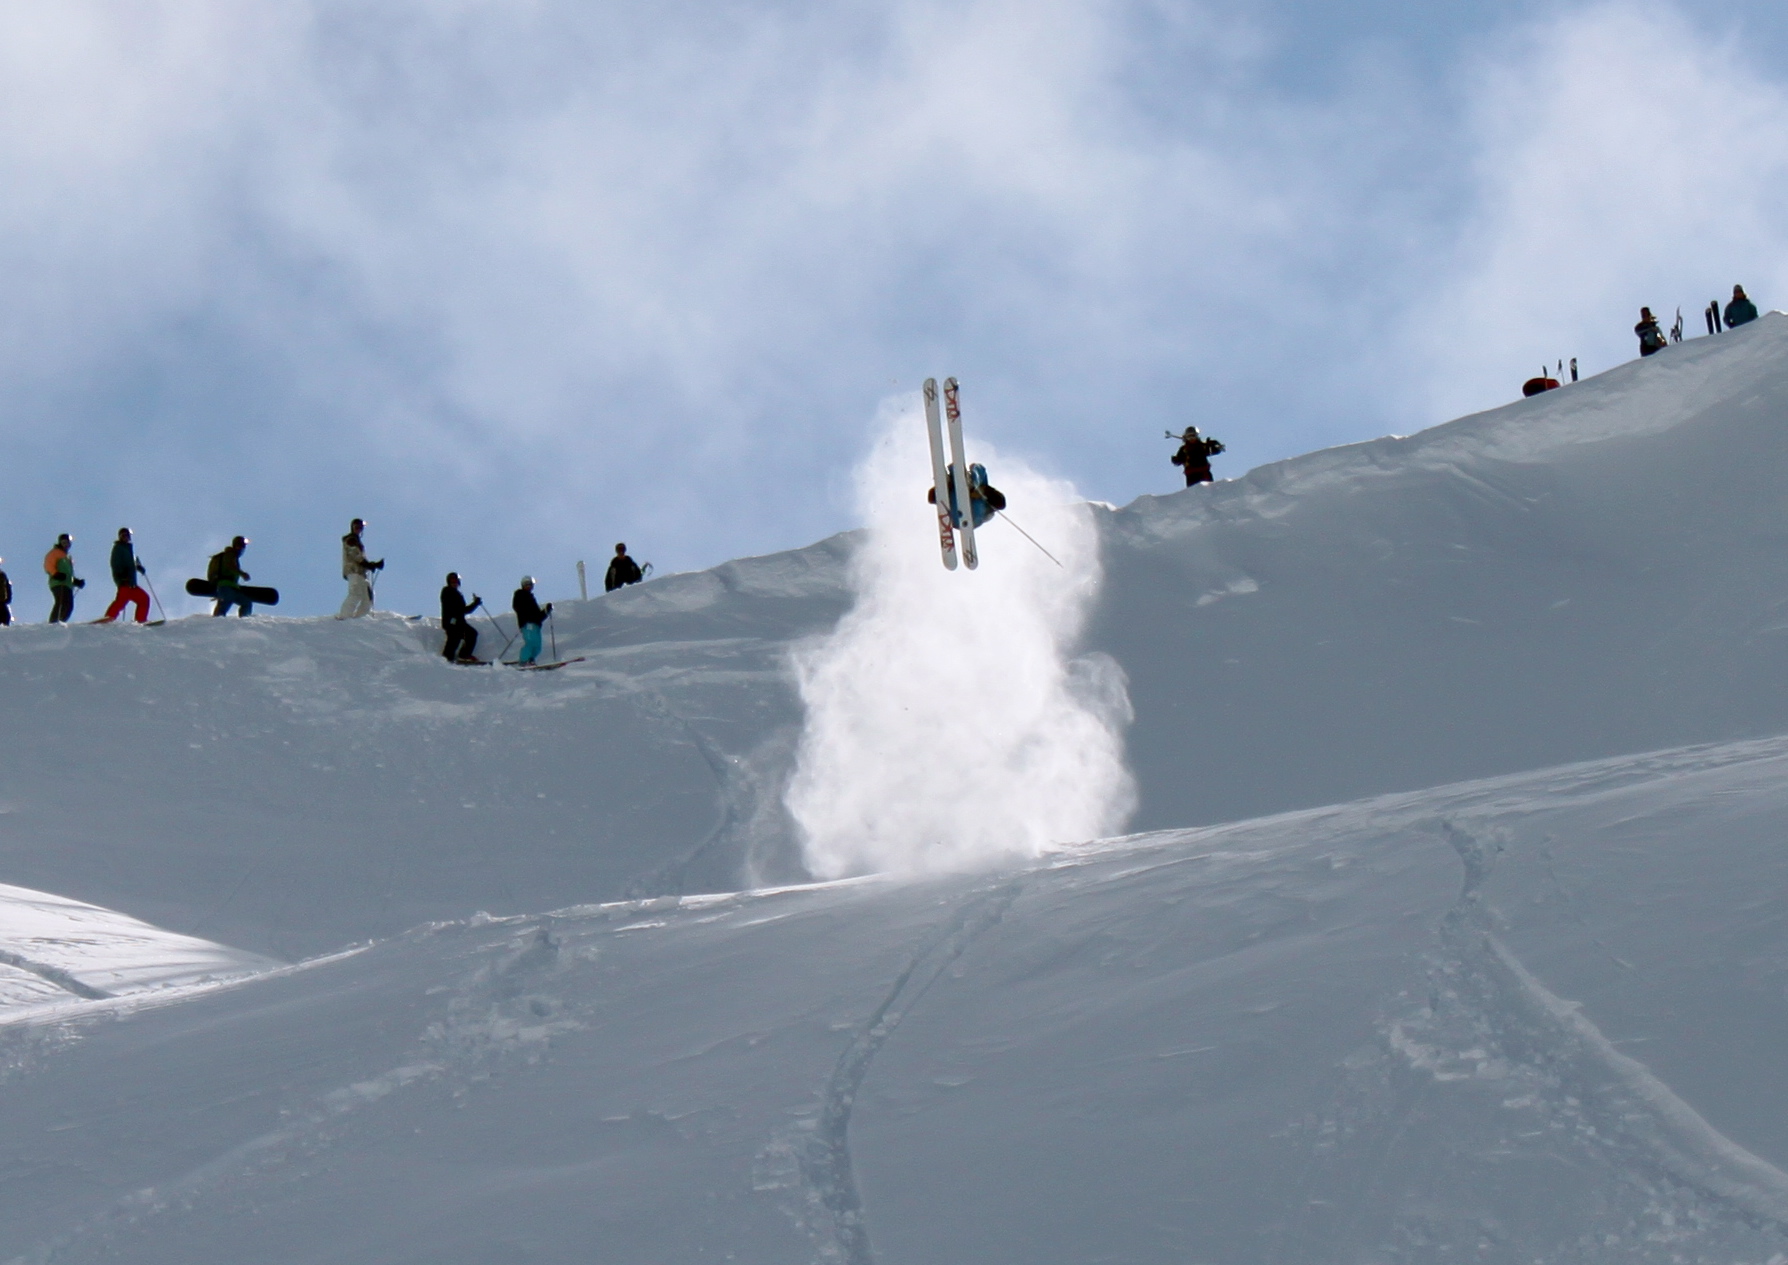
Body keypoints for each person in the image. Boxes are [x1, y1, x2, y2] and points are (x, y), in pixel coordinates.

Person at [926, 463, 1007, 528]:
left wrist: (984, 491)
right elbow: (931, 498)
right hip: (958, 515)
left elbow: (1001, 503)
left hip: (972, 514)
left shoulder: (982, 481)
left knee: (979, 470)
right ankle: (950, 484)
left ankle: (969, 484)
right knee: (977, 471)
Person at [100, 528, 151, 624]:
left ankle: (140, 620)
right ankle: (108, 618)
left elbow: (132, 563)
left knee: (143, 599)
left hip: (131, 583)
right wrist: (121, 576)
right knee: (121, 601)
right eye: (123, 535)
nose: (126, 537)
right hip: (124, 581)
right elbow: (115, 563)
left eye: (127, 535)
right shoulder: (118, 548)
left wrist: (138, 567)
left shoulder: (129, 550)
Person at [338, 519, 382, 619]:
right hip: (353, 571)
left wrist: (372, 565)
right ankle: (344, 617)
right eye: (356, 527)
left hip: (361, 573)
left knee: (368, 596)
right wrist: (368, 564)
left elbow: (360, 557)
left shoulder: (357, 541)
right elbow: (355, 554)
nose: (358, 529)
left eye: (360, 528)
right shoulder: (351, 539)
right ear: (352, 528)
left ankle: (360, 618)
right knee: (355, 593)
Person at [440, 572, 484, 663]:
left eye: (456, 581)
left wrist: (475, 603)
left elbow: (464, 610)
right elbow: (456, 608)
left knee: (471, 634)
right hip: (452, 621)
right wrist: (474, 604)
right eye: (452, 581)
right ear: (448, 582)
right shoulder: (447, 591)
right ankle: (447, 658)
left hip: (459, 622)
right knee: (454, 638)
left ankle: (463, 655)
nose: (454, 583)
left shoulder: (458, 594)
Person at [512, 576, 552, 665]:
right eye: (526, 584)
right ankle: (523, 661)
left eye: (530, 584)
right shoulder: (520, 594)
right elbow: (517, 606)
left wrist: (546, 611)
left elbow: (538, 616)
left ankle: (530, 660)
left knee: (537, 647)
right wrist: (526, 616)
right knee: (530, 643)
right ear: (523, 585)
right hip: (528, 624)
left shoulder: (531, 599)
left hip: (536, 625)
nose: (528, 586)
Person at [209, 536, 254, 617]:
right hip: (225, 586)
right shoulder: (230, 554)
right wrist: (242, 574)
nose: (241, 549)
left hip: (232, 587)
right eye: (240, 546)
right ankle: (217, 621)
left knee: (246, 603)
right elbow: (230, 566)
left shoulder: (231, 556)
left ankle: (244, 621)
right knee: (226, 603)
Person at [44, 534, 82, 623]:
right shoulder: (55, 552)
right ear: (60, 543)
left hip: (67, 584)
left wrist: (75, 581)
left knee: (69, 605)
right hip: (58, 582)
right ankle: (54, 622)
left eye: (67, 543)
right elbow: (48, 565)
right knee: (62, 602)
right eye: (63, 542)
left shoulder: (67, 557)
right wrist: (55, 574)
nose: (66, 545)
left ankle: (60, 621)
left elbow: (68, 574)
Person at [0, 560, 12, 626]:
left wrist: (8, 597)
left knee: (6, 617)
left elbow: (7, 586)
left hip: (2, 601)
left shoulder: (2, 575)